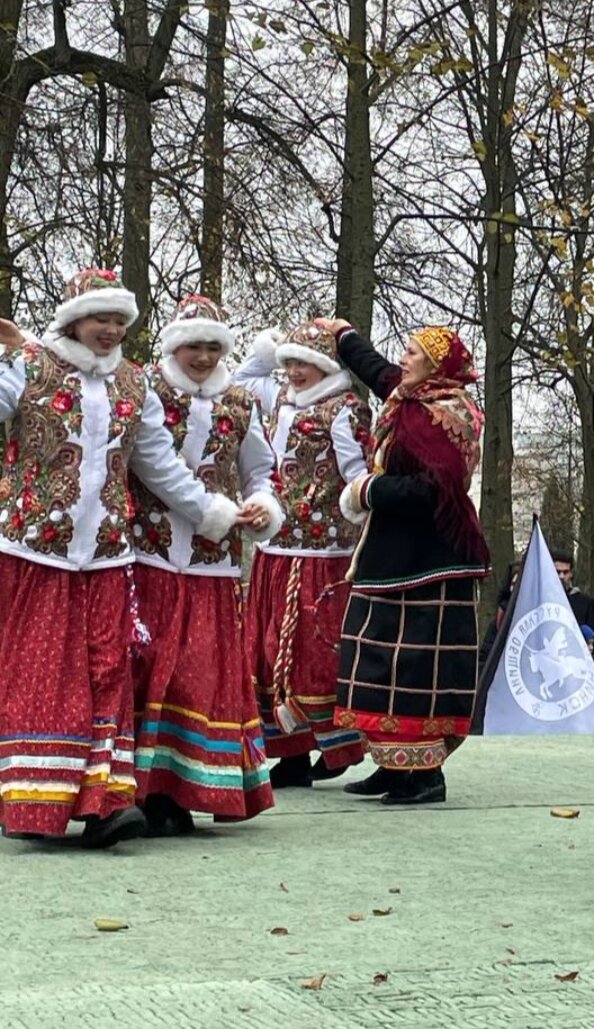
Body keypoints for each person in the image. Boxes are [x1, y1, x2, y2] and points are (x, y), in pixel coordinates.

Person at [0, 269, 242, 847]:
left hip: (108, 554)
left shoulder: (134, 385)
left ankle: (105, 803)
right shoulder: (29, 366)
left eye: (119, 321)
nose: (109, 330)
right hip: (35, 548)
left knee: (108, 670)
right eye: (99, 318)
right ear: (73, 319)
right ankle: (30, 798)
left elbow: (159, 465)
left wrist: (215, 513)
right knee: (37, 671)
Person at [130, 295, 283, 835]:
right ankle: (142, 792)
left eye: (214, 347)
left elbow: (260, 467)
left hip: (210, 567)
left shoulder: (240, 402)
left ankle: (185, 789)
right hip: (146, 554)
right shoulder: (146, 388)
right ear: (175, 344)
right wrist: (212, 511)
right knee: (145, 673)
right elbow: (150, 467)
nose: (203, 356)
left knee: (198, 676)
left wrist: (263, 504)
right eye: (194, 345)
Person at [322, 320, 489, 805]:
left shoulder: (443, 415)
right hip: (390, 552)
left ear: (437, 366)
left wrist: (369, 489)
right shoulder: (410, 399)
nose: (405, 359)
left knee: (417, 667)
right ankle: (393, 763)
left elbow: (435, 489)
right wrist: (345, 336)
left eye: (413, 353)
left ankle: (425, 773)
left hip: (430, 558)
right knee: (376, 660)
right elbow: (378, 372)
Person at [235, 321, 370, 788]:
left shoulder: (345, 409)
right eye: (288, 362)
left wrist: (348, 510)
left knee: (313, 655)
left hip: (321, 552)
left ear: (325, 366)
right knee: (268, 654)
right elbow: (238, 383)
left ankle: (339, 745)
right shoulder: (277, 402)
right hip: (275, 547)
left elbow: (357, 474)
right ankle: (289, 753)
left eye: (303, 363)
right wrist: (264, 349)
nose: (293, 371)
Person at [550, 548, 594, 653]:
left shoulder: (584, 602)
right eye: (557, 572)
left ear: (571, 574)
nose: (561, 576)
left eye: (565, 572)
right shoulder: (541, 600)